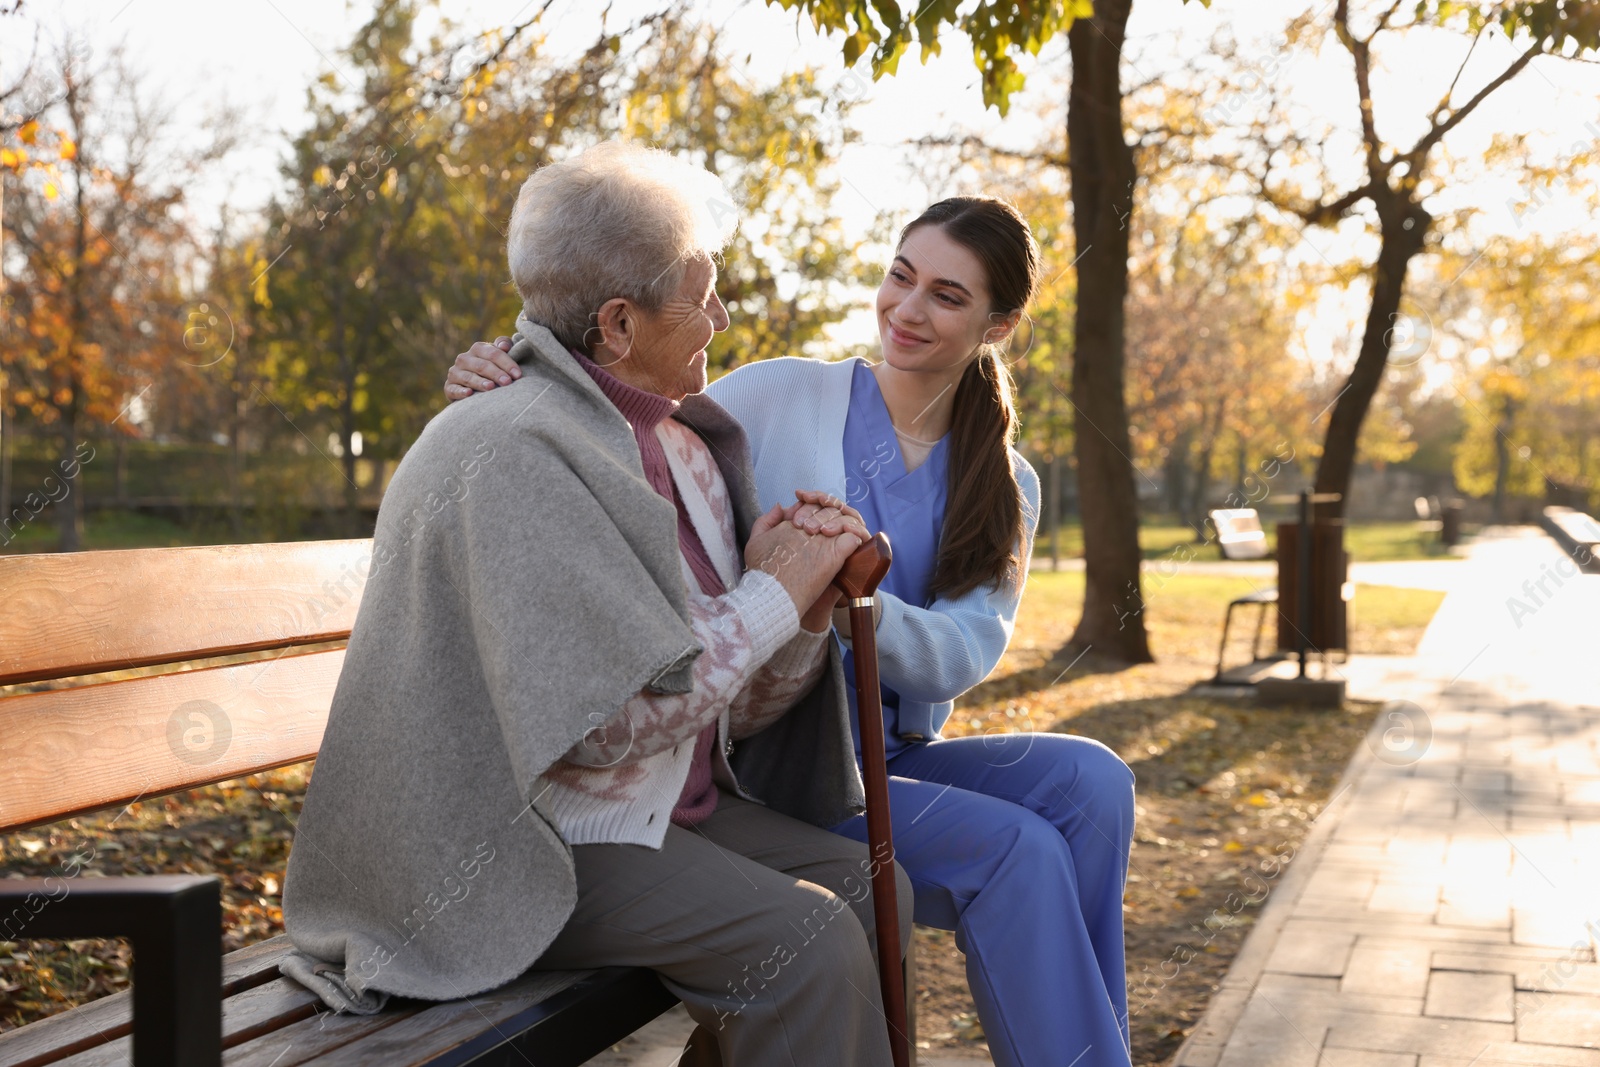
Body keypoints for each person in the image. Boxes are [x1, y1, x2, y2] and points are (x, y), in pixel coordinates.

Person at [448, 193, 1138, 1067]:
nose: (908, 308)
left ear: (998, 325)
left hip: (895, 760)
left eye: (947, 296)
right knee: (1020, 850)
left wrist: (852, 593)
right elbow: (634, 412)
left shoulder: (1008, 481)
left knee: (1095, 783)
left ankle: (1091, 1047)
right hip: (795, 761)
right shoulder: (784, 393)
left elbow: (961, 655)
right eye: (901, 276)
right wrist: (508, 361)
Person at [282, 141, 913, 1067]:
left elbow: (733, 707)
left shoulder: (685, 450)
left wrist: (804, 602)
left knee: (867, 887)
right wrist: (774, 589)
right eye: (702, 296)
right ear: (617, 325)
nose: (722, 316)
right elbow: (611, 724)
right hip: (518, 841)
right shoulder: (516, 447)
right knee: (807, 942)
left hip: (655, 808)